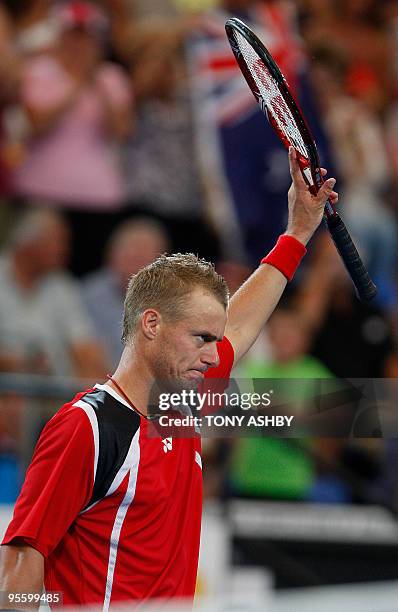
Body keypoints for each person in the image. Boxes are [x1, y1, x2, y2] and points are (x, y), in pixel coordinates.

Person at [0, 149, 337, 608]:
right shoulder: (87, 427)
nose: (212, 354)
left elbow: (238, 326)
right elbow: (21, 559)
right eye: (200, 337)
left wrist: (298, 231)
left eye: (213, 341)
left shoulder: (182, 399)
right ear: (151, 324)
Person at [0, 206, 107, 378]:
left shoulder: (63, 287)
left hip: (52, 393)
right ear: (29, 243)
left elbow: (84, 345)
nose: (64, 250)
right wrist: (22, 363)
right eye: (58, 241)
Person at [82, 217, 170, 369]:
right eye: (130, 253)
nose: (135, 262)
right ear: (111, 255)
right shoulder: (89, 295)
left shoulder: (173, 300)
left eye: (143, 256)